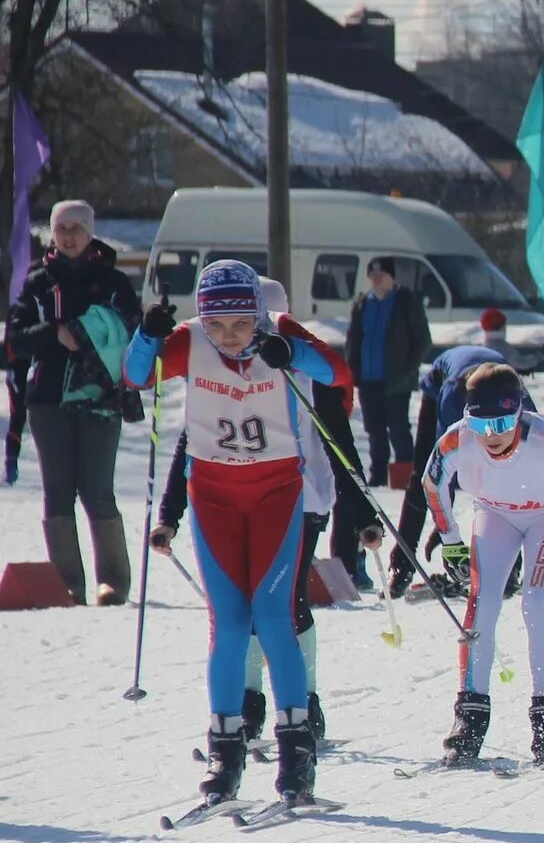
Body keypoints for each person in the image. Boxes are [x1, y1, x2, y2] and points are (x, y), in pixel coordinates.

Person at [124, 261, 350, 810]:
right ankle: (226, 752)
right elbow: (135, 376)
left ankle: (296, 755)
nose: (230, 336)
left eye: (241, 324)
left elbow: (338, 374)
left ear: (256, 313)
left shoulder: (279, 330)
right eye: (218, 324)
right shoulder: (190, 341)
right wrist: (147, 334)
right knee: (228, 624)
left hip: (276, 493)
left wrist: (291, 354)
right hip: (214, 497)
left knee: (273, 619)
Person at [419, 363, 544, 767]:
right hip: (495, 513)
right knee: (481, 604)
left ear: (519, 414)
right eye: (481, 425)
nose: (492, 437)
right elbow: (432, 483)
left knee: (535, 603)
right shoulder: (458, 440)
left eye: (502, 423)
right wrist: (450, 541)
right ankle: (469, 720)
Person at [9, 199, 140, 603]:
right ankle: (68, 582)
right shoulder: (37, 281)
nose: (68, 237)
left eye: (76, 228)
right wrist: (54, 333)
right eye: (61, 228)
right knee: (57, 491)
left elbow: (134, 333)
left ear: (90, 232)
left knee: (98, 488)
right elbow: (14, 341)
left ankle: (113, 581)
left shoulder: (113, 282)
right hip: (48, 399)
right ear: (52, 233)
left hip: (102, 398)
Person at [390, 332, 511, 598]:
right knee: (421, 476)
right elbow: (443, 468)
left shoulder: (514, 395)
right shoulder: (453, 397)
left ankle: (509, 566)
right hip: (441, 383)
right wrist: (445, 529)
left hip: (489, 377)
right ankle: (401, 565)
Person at [344, 257, 431, 483]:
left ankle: (405, 478)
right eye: (373, 276)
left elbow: (422, 340)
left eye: (381, 276)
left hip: (396, 380)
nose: (376, 280)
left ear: (391, 277)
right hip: (368, 379)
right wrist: (352, 369)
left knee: (399, 429)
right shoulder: (363, 303)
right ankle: (378, 477)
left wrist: (408, 369)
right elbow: (354, 339)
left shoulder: (405, 302)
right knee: (374, 431)